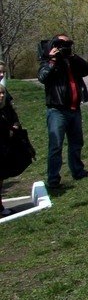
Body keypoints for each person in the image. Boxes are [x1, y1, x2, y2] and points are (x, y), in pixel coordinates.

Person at [38, 33, 88, 189]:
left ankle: (78, 171)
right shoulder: (48, 61)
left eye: (68, 43)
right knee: (56, 146)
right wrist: (52, 60)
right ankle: (53, 180)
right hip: (57, 110)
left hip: (75, 109)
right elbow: (42, 77)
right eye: (61, 44)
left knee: (76, 143)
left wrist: (72, 56)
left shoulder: (71, 60)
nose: (65, 47)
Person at [1, 83, 27, 216]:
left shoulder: (7, 108)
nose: (1, 96)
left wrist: (15, 127)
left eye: (3, 94)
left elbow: (15, 120)